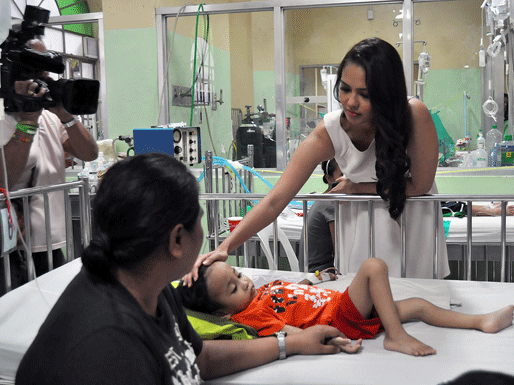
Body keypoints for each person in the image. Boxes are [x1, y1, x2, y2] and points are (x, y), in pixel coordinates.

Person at [16, 153, 356, 385]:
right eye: (200, 220)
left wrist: (291, 344)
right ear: (177, 239)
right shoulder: (108, 348)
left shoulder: (152, 286)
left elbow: (200, 358)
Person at [187, 37, 448, 280]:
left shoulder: (413, 114)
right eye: (345, 89)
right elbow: (275, 200)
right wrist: (226, 246)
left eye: (365, 94)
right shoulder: (331, 131)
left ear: (386, 94)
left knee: (419, 303)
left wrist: (358, 189)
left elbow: (420, 186)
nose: (351, 102)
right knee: (363, 310)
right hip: (360, 228)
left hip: (412, 222)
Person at [179, 259, 514, 357]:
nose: (244, 282)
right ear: (223, 313)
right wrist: (335, 339)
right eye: (233, 287)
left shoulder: (261, 292)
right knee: (373, 267)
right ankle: (395, 337)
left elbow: (294, 292)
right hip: (339, 316)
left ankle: (480, 321)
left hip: (340, 305)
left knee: (418, 306)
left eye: (238, 274)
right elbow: (290, 333)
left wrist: (317, 277)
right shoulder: (249, 315)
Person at [0, 38, 98, 289]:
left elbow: (89, 152)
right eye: (38, 72)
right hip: (15, 250)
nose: (45, 80)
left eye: (46, 73)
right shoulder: (3, 116)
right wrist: (27, 123)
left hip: (53, 242)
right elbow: (3, 180)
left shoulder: (50, 117)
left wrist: (66, 116)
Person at [298, 158, 343, 272]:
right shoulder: (331, 203)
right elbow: (339, 250)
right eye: (342, 175)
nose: (346, 179)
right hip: (319, 272)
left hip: (313, 267)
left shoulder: (325, 198)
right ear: (329, 178)